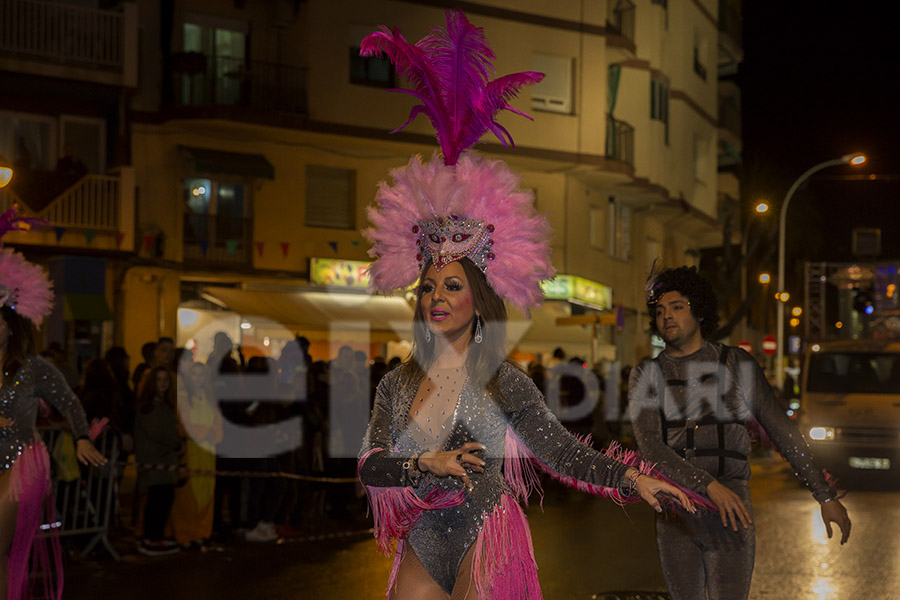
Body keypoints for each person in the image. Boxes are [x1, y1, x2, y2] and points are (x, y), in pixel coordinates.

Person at [356, 12, 696, 598]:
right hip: (423, 537)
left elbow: (561, 453)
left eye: (453, 287)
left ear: (479, 301)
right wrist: (425, 466)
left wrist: (632, 478)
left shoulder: (502, 381)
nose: (437, 297)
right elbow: (370, 465)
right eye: (430, 287)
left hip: (488, 533)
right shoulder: (398, 383)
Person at [628, 265, 852, 600]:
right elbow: (651, 449)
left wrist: (824, 495)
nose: (667, 317)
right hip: (675, 510)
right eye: (660, 311)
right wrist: (707, 486)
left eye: (677, 307)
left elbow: (782, 431)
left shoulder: (736, 364)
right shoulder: (647, 373)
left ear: (700, 311)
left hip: (732, 508)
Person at [0, 240, 106, 600]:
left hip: (20, 462)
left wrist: (81, 437)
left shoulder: (33, 368)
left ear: (11, 327)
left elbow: (70, 402)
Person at [170, 359, 222, 549]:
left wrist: (212, 434)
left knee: (207, 491)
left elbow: (218, 424)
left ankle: (202, 531)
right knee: (188, 494)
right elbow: (183, 425)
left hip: (208, 453)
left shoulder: (210, 399)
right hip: (191, 451)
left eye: (202, 375)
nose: (198, 379)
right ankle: (185, 534)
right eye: (195, 374)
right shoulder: (182, 398)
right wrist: (203, 432)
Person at [133, 366, 181, 556]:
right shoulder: (149, 407)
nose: (162, 384)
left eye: (165, 380)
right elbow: (160, 433)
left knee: (163, 498)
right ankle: (151, 538)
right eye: (159, 380)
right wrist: (176, 442)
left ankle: (155, 537)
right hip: (155, 460)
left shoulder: (163, 405)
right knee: (157, 500)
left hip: (164, 461)